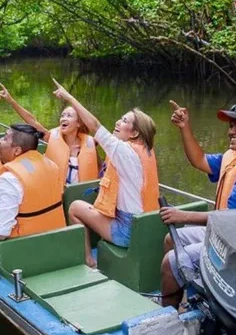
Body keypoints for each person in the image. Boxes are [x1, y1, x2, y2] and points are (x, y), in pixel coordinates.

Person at [159, 99, 236, 308]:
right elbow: (199, 160)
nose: (231, 132)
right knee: (171, 239)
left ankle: (169, 321)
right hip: (229, 237)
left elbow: (230, 219)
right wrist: (185, 128)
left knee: (170, 262)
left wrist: (183, 216)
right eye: (231, 126)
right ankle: (188, 295)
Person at [52, 79, 159, 267]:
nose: (117, 122)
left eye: (124, 121)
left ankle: (88, 261)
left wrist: (69, 97)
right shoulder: (146, 151)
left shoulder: (125, 151)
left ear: (134, 133)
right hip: (147, 226)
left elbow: (94, 125)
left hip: (127, 231)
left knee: (75, 207)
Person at [0, 124, 65, 251]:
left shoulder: (9, 179)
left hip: (21, 252)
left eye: (5, 139)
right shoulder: (51, 165)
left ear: (17, 151)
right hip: (57, 244)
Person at [0, 82, 99, 187]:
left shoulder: (91, 143)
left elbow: (99, 171)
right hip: (57, 194)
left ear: (78, 123)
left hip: (81, 195)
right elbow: (32, 121)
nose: (63, 118)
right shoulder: (51, 137)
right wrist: (11, 101)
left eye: (69, 116)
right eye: (62, 115)